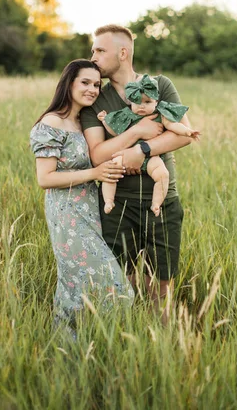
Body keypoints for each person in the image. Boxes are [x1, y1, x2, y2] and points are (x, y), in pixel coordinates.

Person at [80, 25, 195, 319]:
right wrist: (140, 132)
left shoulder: (160, 85)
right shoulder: (95, 97)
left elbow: (182, 135)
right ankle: (128, 339)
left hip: (162, 201)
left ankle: (162, 345)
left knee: (161, 284)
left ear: (123, 52)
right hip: (118, 203)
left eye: (99, 50)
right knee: (123, 283)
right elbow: (97, 154)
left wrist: (140, 152)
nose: (92, 56)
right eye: (93, 50)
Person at [29, 59, 134, 329]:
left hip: (90, 209)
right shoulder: (52, 122)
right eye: (85, 82)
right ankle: (72, 341)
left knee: (76, 282)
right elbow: (45, 178)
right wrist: (95, 174)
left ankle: (73, 344)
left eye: (97, 84)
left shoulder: (81, 122)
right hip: (66, 215)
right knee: (116, 286)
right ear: (69, 83)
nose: (92, 89)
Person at [97, 73, 200, 216]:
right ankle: (109, 200)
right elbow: (114, 131)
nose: (142, 106)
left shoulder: (160, 115)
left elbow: (174, 126)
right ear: (130, 102)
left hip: (152, 157)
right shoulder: (126, 115)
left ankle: (156, 203)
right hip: (127, 155)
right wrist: (104, 121)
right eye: (137, 102)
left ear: (156, 102)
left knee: (163, 174)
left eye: (147, 102)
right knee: (112, 169)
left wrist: (187, 132)